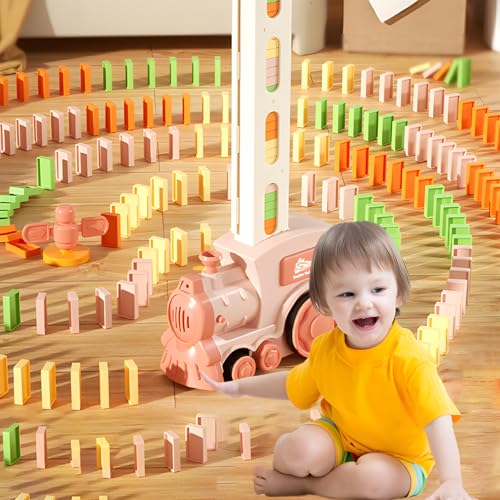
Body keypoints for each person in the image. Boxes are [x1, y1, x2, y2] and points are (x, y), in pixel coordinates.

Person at [202, 221, 475, 499]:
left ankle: (304, 486)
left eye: (378, 289)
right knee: (291, 454)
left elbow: (437, 422)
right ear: (322, 304)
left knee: (371, 480)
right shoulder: (325, 349)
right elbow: (291, 384)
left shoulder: (410, 360)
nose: (364, 303)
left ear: (399, 294)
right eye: (347, 294)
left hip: (402, 459)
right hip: (342, 437)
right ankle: (327, 474)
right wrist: (242, 387)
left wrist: (452, 481)